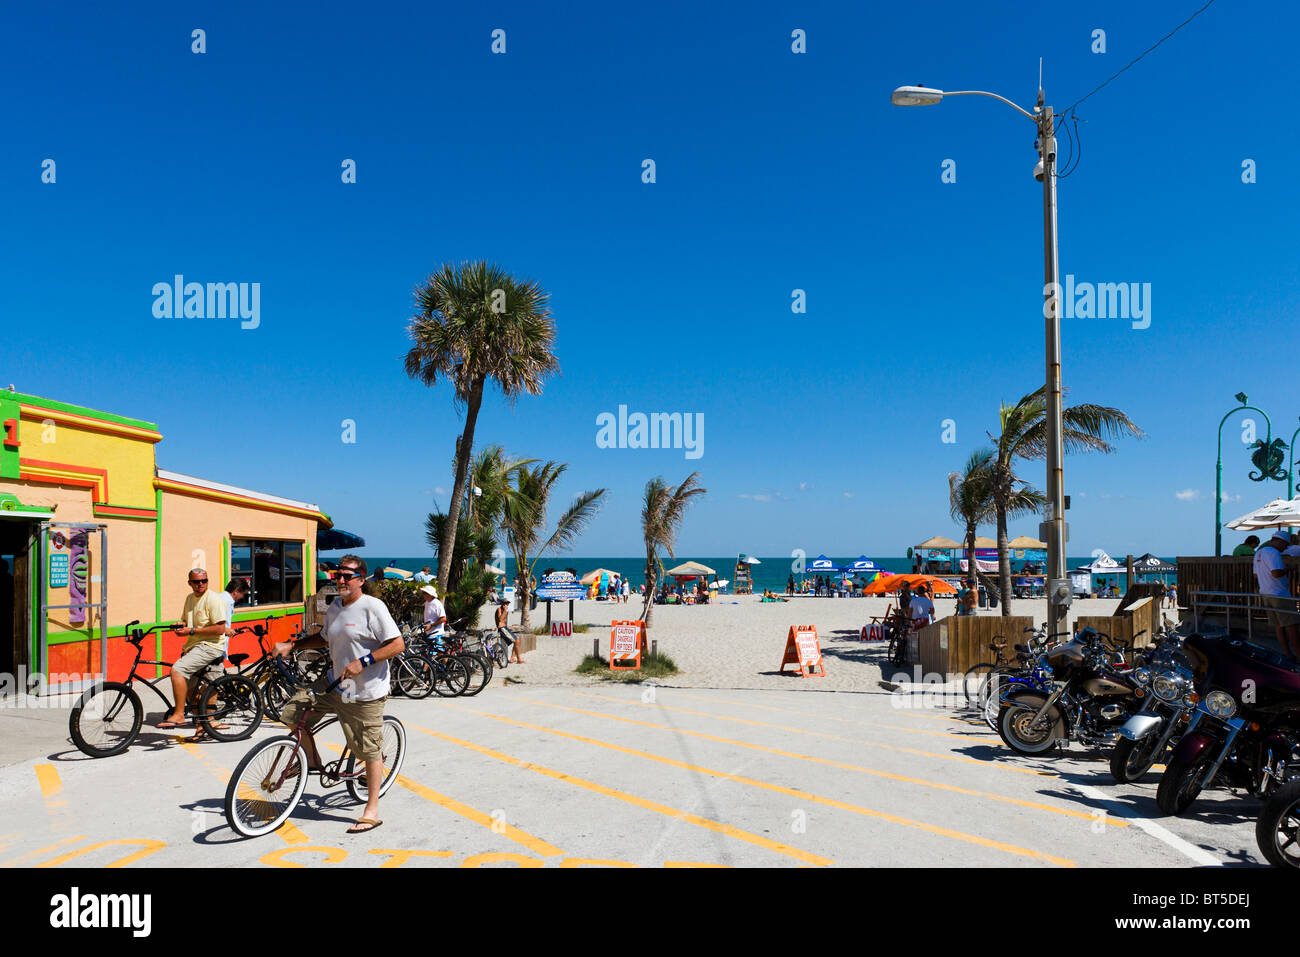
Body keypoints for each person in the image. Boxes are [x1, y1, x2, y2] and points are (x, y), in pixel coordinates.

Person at [272, 554, 403, 833]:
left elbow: (397, 644)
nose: (341, 580)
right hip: (334, 684)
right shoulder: (334, 606)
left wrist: (363, 661)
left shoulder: (373, 607)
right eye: (337, 575)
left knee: (369, 751)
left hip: (365, 692)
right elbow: (323, 638)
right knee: (294, 714)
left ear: (361, 579)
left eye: (347, 576)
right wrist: (291, 646)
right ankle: (312, 761)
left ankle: (371, 809)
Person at [159, 568, 229, 733]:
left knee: (177, 671)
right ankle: (203, 725)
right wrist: (180, 626)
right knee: (190, 691)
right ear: (189, 583)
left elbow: (220, 629)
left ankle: (179, 714)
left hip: (210, 646)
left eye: (204, 581)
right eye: (196, 582)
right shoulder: (190, 598)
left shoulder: (213, 599)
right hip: (193, 646)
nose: (200, 584)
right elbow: (185, 620)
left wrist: (190, 631)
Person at [1255, 530, 1300, 658]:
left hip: (1265, 593)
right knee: (1292, 626)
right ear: (1280, 542)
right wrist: (1288, 569)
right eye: (1285, 544)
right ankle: (1298, 655)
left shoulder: (1259, 552)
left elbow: (1255, 574)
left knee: (1279, 626)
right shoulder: (1273, 553)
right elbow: (1276, 573)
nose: (1286, 548)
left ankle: (1288, 654)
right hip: (1279, 594)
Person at [495, 599, 523, 664]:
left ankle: (512, 658)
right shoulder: (499, 609)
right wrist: (505, 610)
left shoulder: (505, 611)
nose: (507, 605)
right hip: (502, 628)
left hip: (504, 628)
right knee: (516, 641)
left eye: (507, 604)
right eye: (506, 604)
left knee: (517, 641)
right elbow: (500, 620)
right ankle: (518, 659)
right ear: (502, 604)